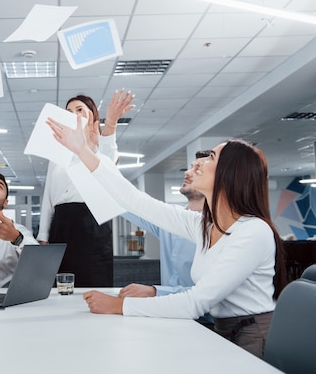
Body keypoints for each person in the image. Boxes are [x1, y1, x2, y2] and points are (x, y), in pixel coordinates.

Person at [47, 115, 287, 358]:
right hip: (221, 330)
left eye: (211, 157)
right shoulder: (202, 225)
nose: (200, 162)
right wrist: (83, 150)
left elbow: (197, 301)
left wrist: (120, 306)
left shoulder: (253, 231)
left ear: (230, 174)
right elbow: (134, 200)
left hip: (252, 335)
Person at [37, 89, 134, 287]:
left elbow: (110, 162)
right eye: (69, 110)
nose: (73, 114)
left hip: (92, 223)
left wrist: (110, 126)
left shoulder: (99, 146)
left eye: (79, 109)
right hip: (61, 223)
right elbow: (47, 196)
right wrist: (43, 235)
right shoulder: (56, 152)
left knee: (93, 281)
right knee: (60, 284)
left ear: (91, 115)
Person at [120, 150, 214, 327]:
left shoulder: (220, 229)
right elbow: (125, 203)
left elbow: (211, 294)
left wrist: (154, 292)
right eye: (191, 167)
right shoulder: (174, 219)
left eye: (198, 170)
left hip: (207, 322)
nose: (187, 173)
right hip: (170, 315)